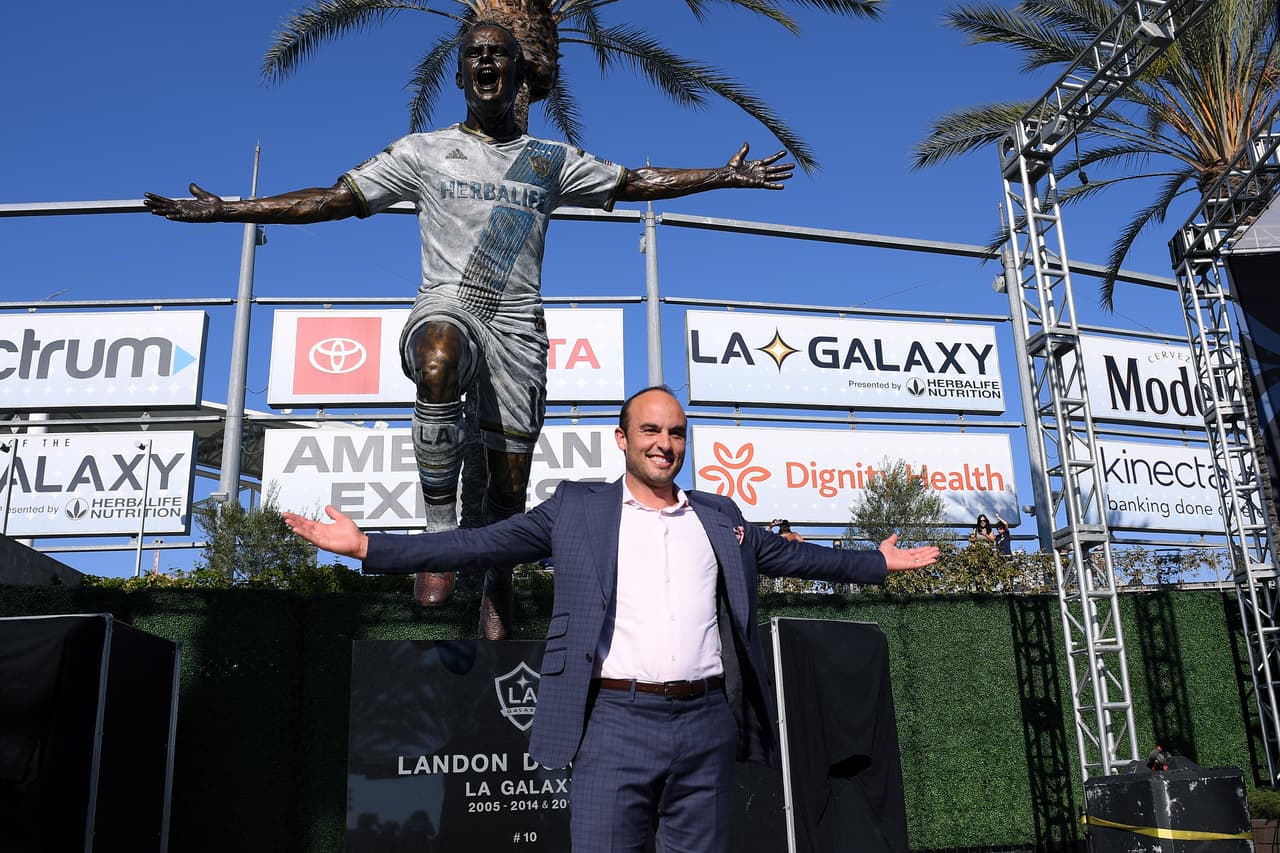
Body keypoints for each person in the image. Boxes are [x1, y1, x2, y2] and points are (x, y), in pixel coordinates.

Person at [145, 20, 795, 640]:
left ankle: (498, 582)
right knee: (436, 358)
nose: (486, 61)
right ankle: (437, 540)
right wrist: (232, 209)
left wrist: (721, 174)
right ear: (460, 77)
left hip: (517, 330)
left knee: (509, 498)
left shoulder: (548, 159)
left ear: (518, 76)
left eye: (498, 54)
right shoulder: (422, 153)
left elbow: (633, 181)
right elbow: (331, 198)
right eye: (474, 55)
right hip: (450, 305)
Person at [283, 385, 939, 853]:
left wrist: (873, 562)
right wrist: (372, 546)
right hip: (612, 724)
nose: (665, 442)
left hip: (708, 722)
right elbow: (479, 544)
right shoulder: (576, 508)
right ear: (623, 439)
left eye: (676, 431)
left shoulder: (721, 519)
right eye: (651, 430)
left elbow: (796, 555)